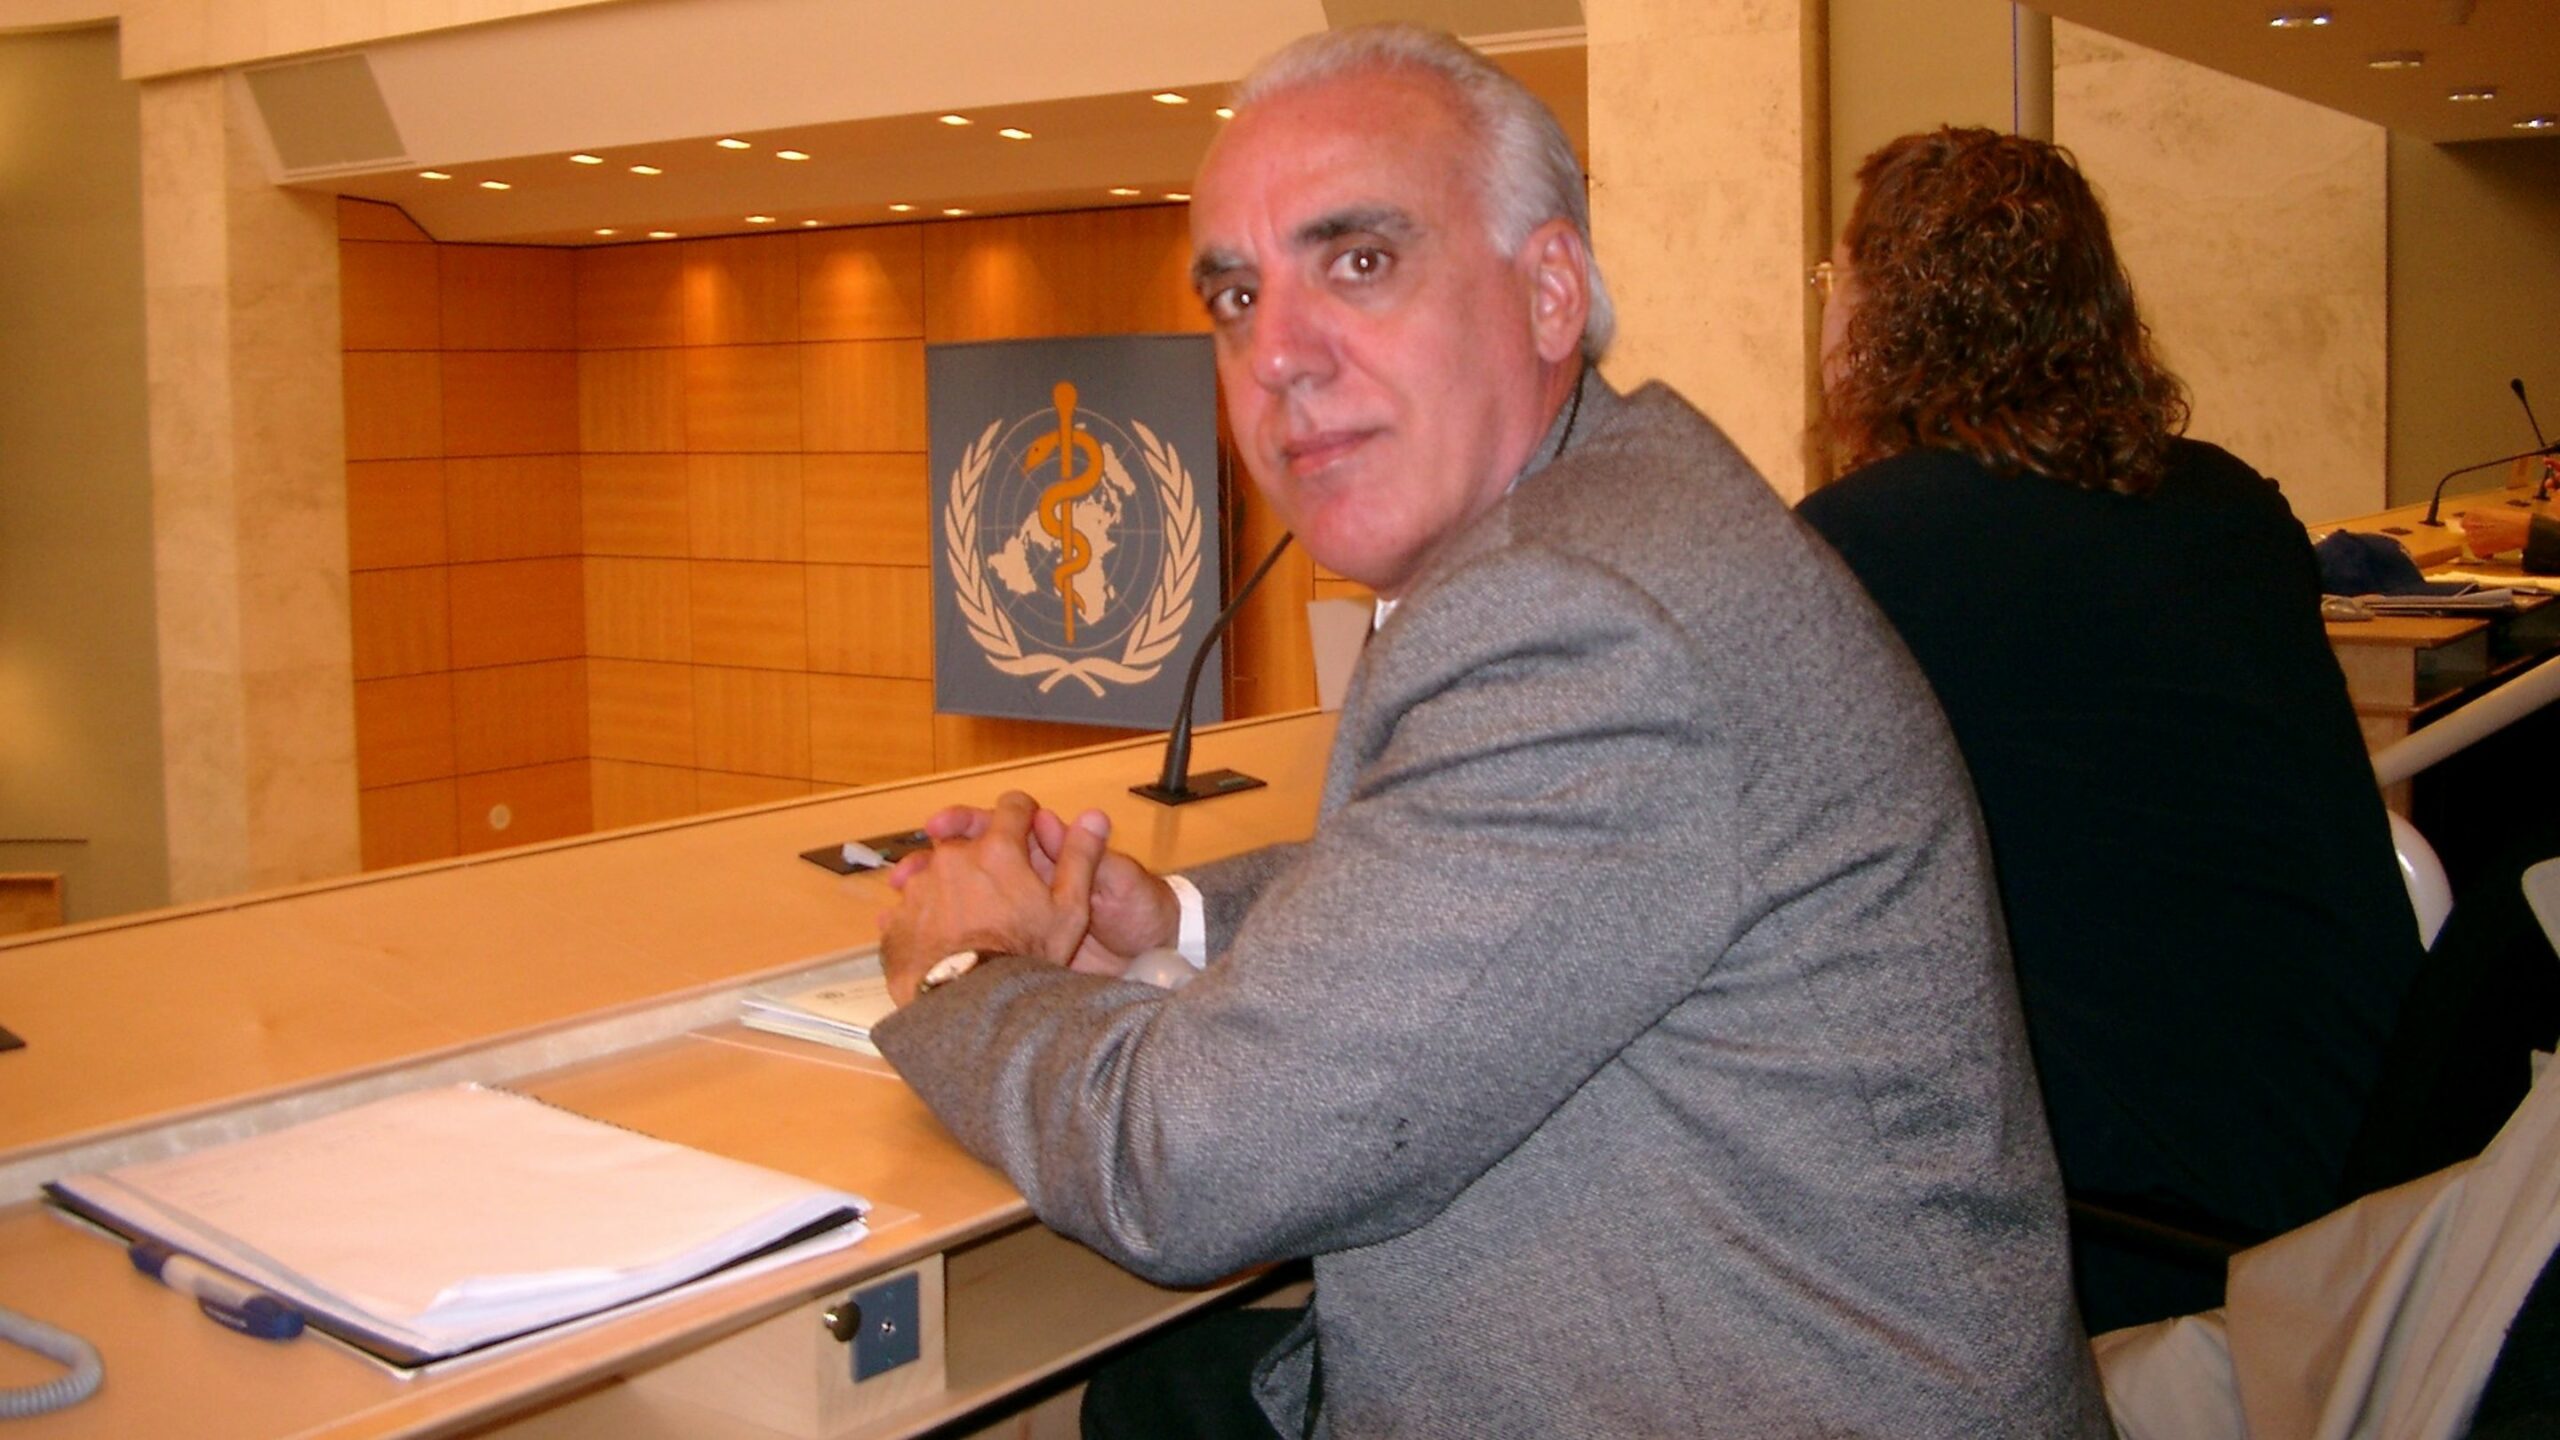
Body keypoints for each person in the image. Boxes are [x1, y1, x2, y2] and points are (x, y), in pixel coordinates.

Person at [870, 30, 2109, 1438]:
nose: (1274, 355)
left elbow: (1192, 1169)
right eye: (1232, 293)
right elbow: (1473, 869)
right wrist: (1174, 917)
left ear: (1548, 291)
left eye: (1358, 262)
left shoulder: (1581, 616)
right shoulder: (1616, 515)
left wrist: (970, 968)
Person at [1796, 127, 2426, 1332]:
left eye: (1839, 282)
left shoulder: (1859, 549)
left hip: (2148, 1252)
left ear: (1890, 316)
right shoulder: (2234, 511)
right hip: (2376, 1183)